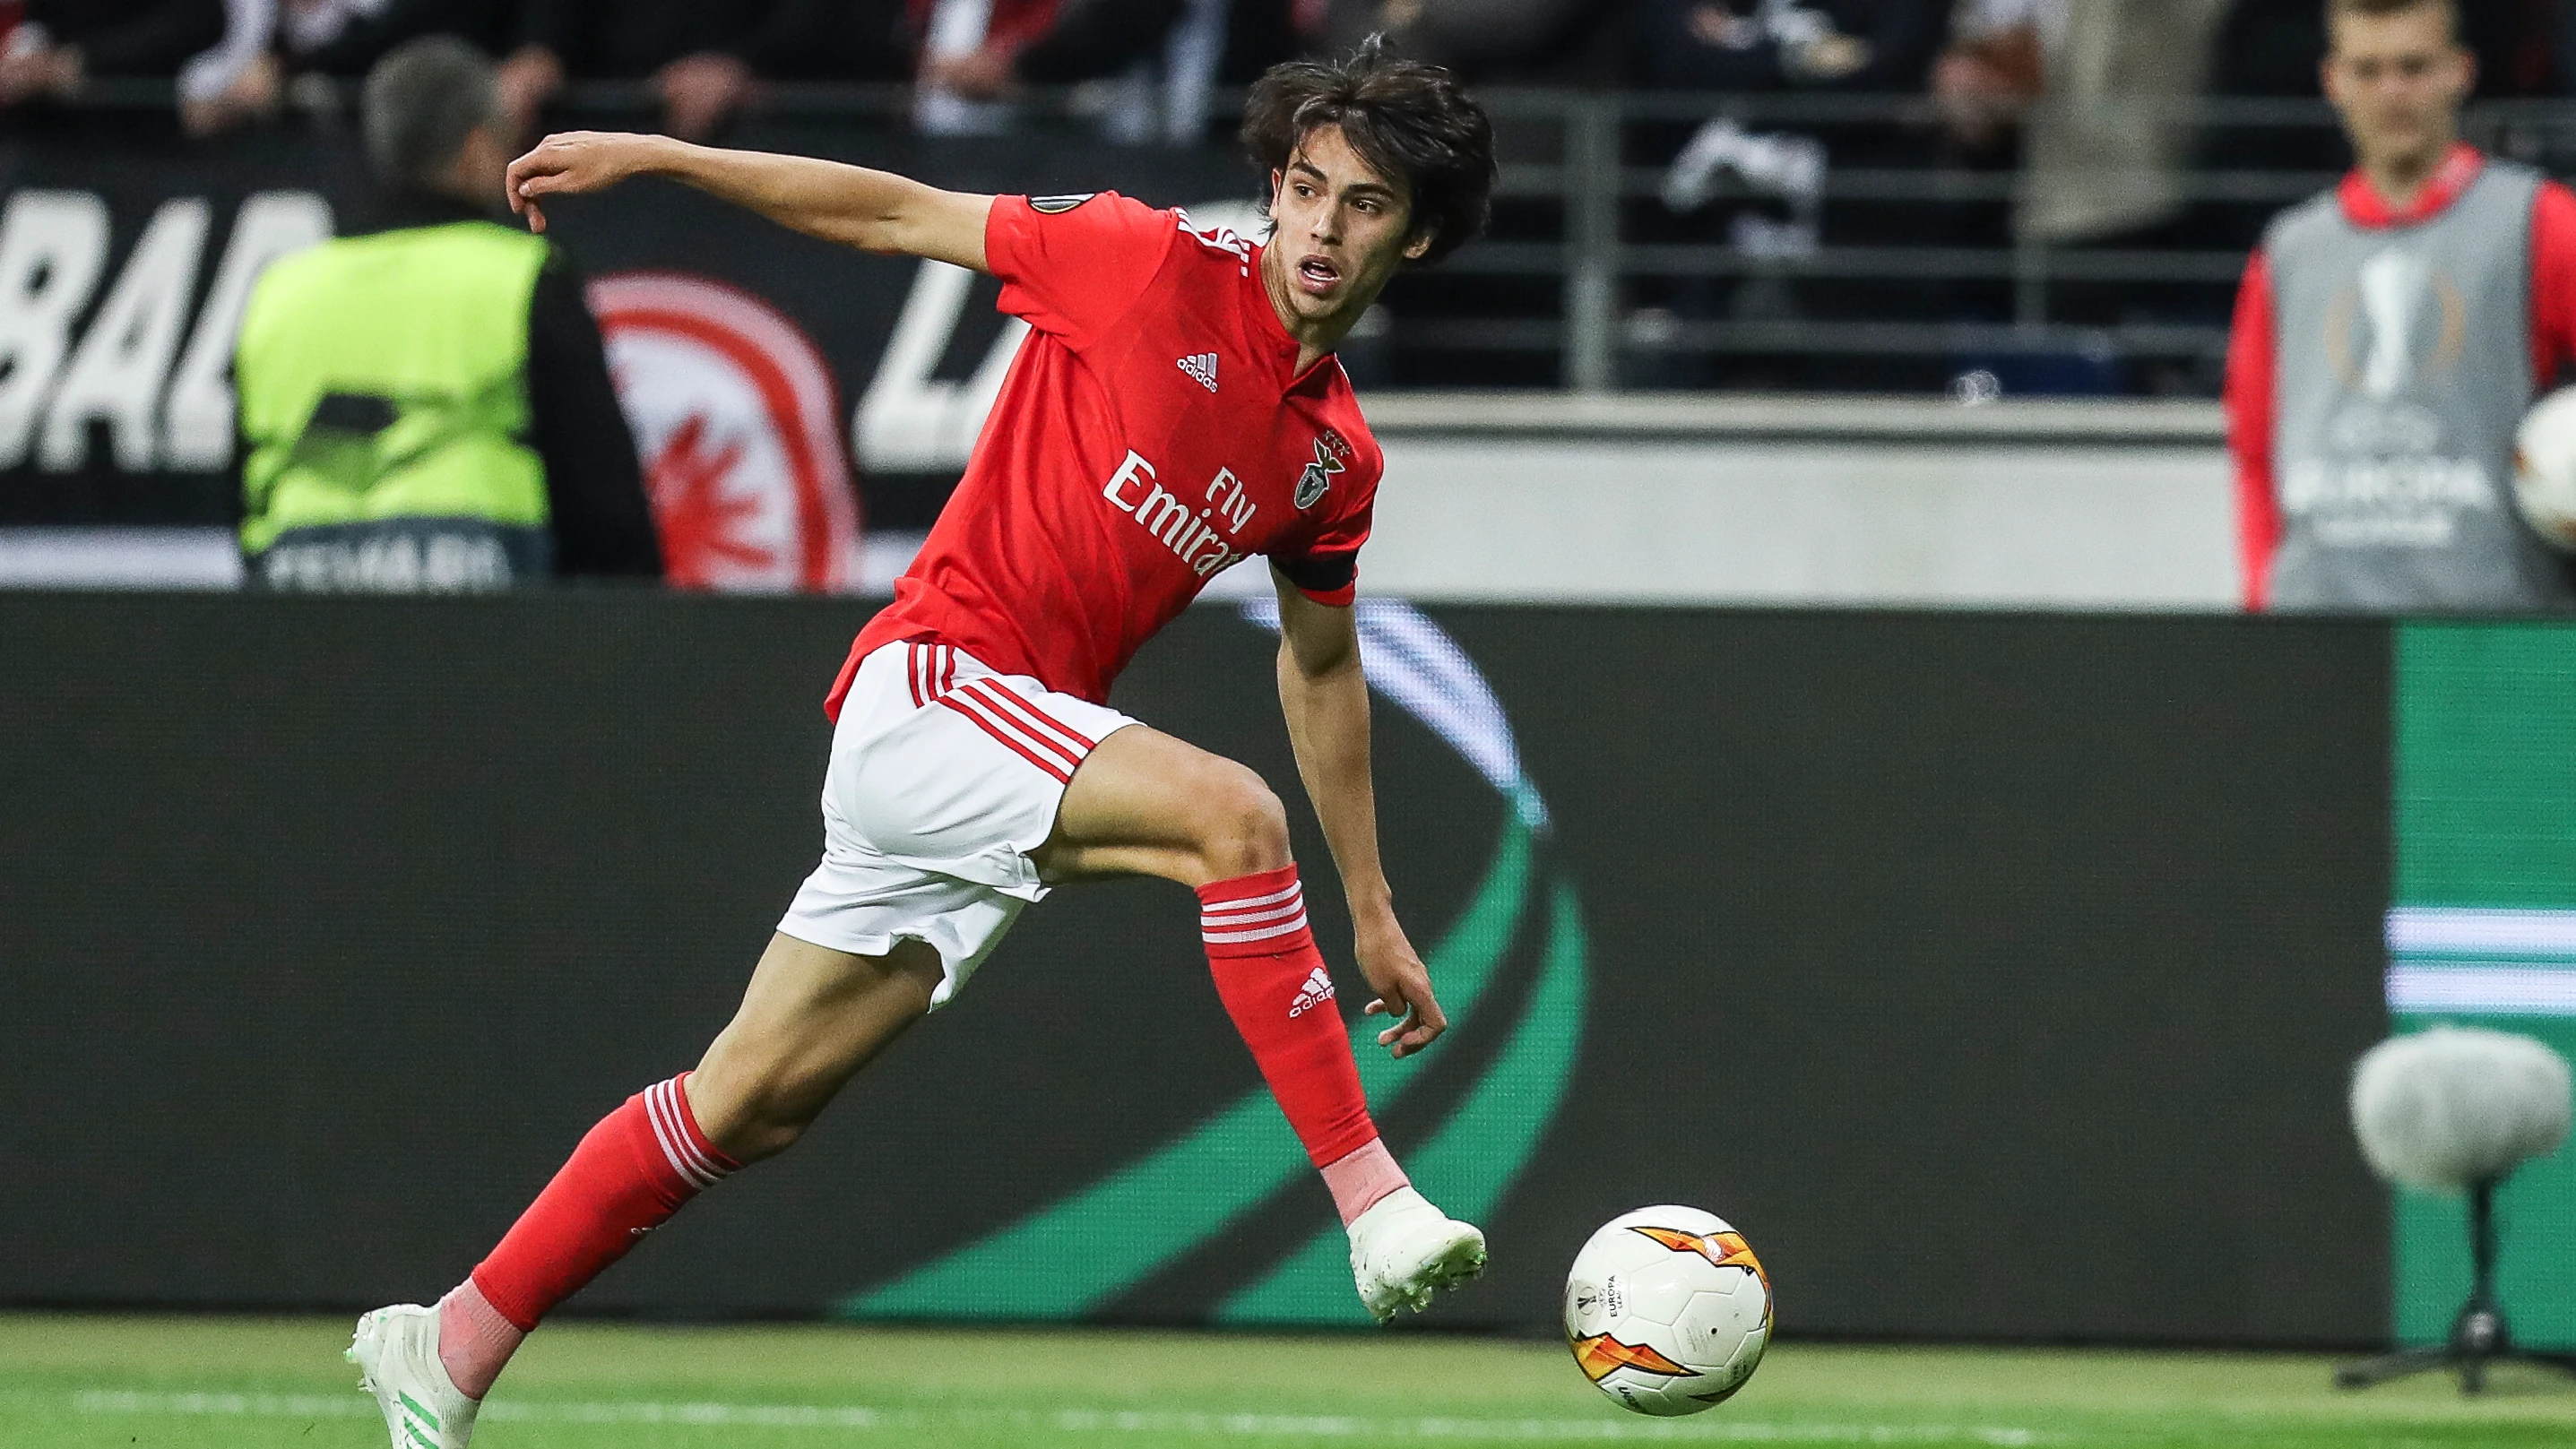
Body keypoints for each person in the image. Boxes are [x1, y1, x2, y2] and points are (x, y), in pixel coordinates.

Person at [341, 39, 1497, 1449]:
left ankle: (448, 1343)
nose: (1321, 227)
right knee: (1230, 820)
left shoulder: (1331, 459)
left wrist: (1371, 907)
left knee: (745, 1105)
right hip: (938, 686)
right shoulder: (1138, 262)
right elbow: (892, 210)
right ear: (1270, 187)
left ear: (1415, 235)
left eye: (1364, 204)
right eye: (1305, 188)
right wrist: (663, 159)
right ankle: (1373, 1203)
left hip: (1000, 763)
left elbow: (1320, 667)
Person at [233, 38, 661, 591]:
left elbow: (245, 494)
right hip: (486, 634)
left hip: (302, 631)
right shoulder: (522, 277)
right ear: (479, 148)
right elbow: (606, 512)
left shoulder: (279, 290)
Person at [2226, 0, 2576, 611]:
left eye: (2414, 67)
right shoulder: (2289, 251)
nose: (2392, 93)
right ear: (2332, 80)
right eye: (2368, 70)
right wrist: (2263, 596)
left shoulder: (2536, 223)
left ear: (2460, 72)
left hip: (2490, 627)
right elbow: (2256, 447)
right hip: (2317, 619)